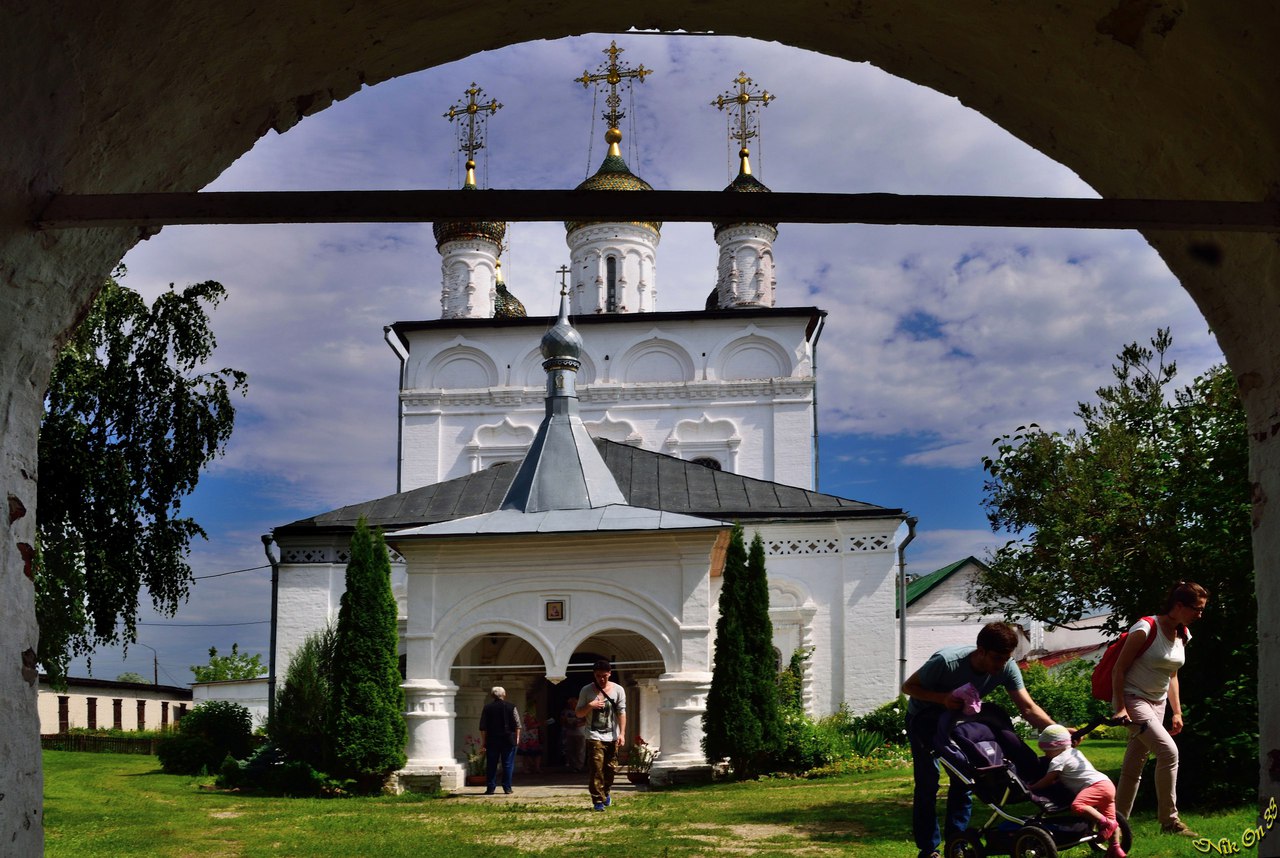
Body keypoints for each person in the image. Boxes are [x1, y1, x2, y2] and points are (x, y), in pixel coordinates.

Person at [902, 622, 1055, 858]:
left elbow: (1028, 708)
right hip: (923, 720)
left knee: (965, 779)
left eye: (1006, 658)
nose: (1001, 664)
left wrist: (1058, 732)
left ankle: (957, 843)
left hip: (956, 722)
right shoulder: (947, 661)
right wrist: (943, 698)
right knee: (928, 784)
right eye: (997, 658)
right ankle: (928, 849)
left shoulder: (1006, 667)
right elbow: (908, 686)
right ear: (980, 650)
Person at [1112, 580, 1209, 837]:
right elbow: (1119, 669)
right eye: (1196, 609)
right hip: (1135, 700)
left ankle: (1115, 825)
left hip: (1159, 703)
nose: (1200, 614)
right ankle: (1170, 822)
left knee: (1133, 766)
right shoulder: (1146, 628)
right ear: (1178, 606)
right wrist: (1120, 707)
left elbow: (1172, 675)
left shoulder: (1183, 633)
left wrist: (1176, 712)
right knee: (1168, 753)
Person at [1027, 724, 1125, 858]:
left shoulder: (1057, 760)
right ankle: (1115, 848)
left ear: (1054, 746)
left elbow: (1048, 780)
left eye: (1047, 751)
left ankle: (1105, 823)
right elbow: (1071, 773)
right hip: (1107, 784)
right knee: (1112, 818)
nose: (1046, 755)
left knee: (1078, 806)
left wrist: (1032, 787)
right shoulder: (1075, 752)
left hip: (1095, 786)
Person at [576, 658, 626, 811]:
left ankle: (606, 791)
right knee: (596, 768)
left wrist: (622, 733)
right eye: (598, 676)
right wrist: (590, 705)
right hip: (594, 735)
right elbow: (578, 713)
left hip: (612, 735)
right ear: (594, 675)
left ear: (610, 674)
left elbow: (621, 712)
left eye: (604, 675)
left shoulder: (618, 690)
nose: (601, 679)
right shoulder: (586, 690)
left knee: (610, 769)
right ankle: (597, 800)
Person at [478, 685, 520, 795]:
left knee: (491, 764)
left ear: (492, 695)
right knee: (508, 764)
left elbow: (483, 728)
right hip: (508, 739)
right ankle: (507, 787)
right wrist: (517, 739)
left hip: (492, 739)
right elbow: (517, 724)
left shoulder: (487, 708)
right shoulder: (511, 707)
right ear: (504, 695)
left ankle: (490, 788)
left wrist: (484, 742)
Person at [561, 696, 586, 772]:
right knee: (571, 750)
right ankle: (572, 766)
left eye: (574, 703)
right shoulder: (565, 712)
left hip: (581, 733)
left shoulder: (582, 710)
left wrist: (579, 724)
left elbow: (587, 720)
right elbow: (562, 721)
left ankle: (579, 766)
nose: (573, 705)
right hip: (570, 733)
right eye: (571, 703)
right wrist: (568, 725)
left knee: (580, 750)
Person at [518, 709, 543, 774]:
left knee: (538, 753)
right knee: (526, 754)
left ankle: (537, 768)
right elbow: (528, 727)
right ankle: (526, 768)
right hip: (527, 739)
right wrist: (538, 724)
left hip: (534, 738)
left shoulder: (534, 718)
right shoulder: (525, 717)